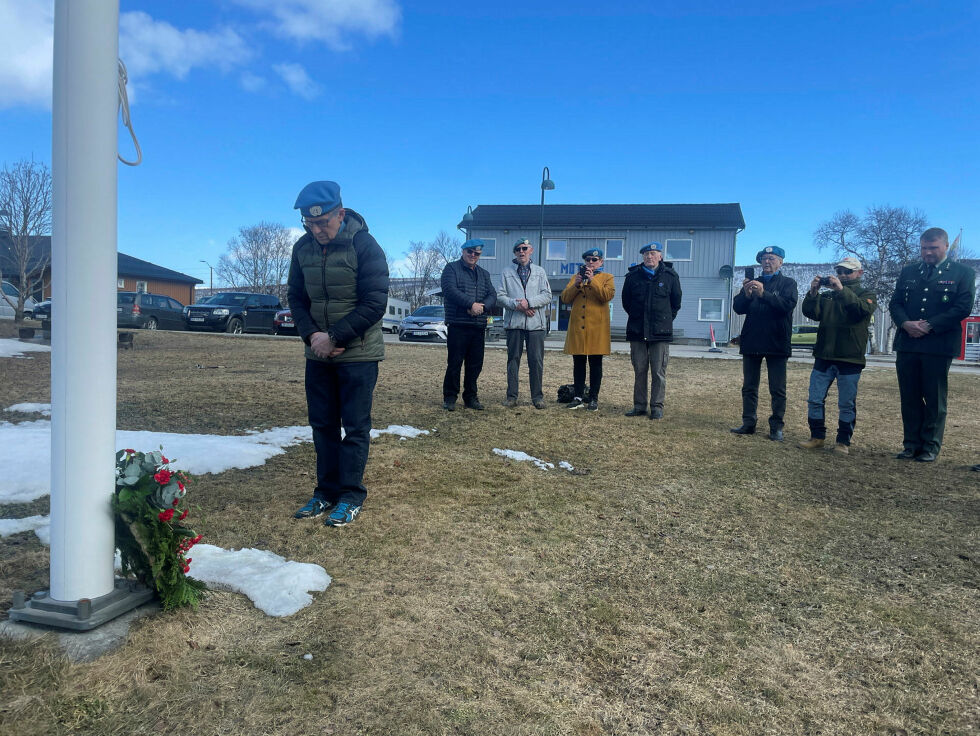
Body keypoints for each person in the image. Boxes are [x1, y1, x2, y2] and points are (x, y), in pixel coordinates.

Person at [288, 181, 389, 527]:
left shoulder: (366, 246)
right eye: (310, 224)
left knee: (355, 427)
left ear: (340, 214)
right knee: (322, 426)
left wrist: (335, 335)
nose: (317, 230)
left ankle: (350, 495)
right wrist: (313, 336)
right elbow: (296, 299)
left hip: (358, 354)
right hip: (318, 354)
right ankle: (325, 492)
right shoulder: (302, 248)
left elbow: (375, 303)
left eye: (323, 223)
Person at [888, 227, 976, 462]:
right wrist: (905, 323)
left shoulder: (962, 273)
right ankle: (911, 444)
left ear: (945, 246)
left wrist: (929, 325)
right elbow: (895, 302)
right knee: (910, 397)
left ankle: (930, 446)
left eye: (933, 248)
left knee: (934, 398)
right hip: (908, 344)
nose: (928, 252)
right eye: (924, 248)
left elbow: (962, 307)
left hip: (938, 344)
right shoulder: (908, 272)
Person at [797, 257, 876, 454]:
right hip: (824, 355)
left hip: (850, 358)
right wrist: (813, 293)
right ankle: (817, 437)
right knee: (814, 399)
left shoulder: (866, 294)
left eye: (847, 272)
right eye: (839, 271)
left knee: (846, 403)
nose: (842, 275)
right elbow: (810, 312)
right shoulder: (828, 296)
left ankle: (843, 442)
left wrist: (841, 290)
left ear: (859, 273)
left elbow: (860, 310)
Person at [731, 246, 798, 441]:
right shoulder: (754, 282)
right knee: (749, 386)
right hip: (752, 341)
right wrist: (745, 293)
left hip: (777, 342)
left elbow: (786, 306)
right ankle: (748, 422)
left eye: (771, 258)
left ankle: (776, 427)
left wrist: (764, 295)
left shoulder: (788, 283)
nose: (767, 262)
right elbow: (738, 308)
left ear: (781, 262)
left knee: (777, 388)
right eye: (764, 259)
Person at [621, 242, 682, 419]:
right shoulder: (633, 276)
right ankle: (639, 406)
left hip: (660, 332)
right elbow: (627, 303)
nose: (650, 257)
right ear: (643, 257)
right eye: (647, 254)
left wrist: (663, 320)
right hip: (637, 330)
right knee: (639, 370)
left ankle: (656, 407)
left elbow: (675, 303)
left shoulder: (670, 276)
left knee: (658, 371)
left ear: (660, 256)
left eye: (653, 254)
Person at [441, 239, 497, 411]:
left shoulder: (484, 274)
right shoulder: (451, 269)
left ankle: (470, 397)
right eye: (470, 252)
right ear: (463, 251)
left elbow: (492, 294)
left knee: (475, 365)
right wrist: (470, 304)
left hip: (478, 325)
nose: (473, 255)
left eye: (477, 253)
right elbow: (449, 290)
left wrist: (482, 307)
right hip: (458, 324)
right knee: (455, 363)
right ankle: (450, 397)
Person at [496, 238, 553, 409]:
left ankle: (537, 397)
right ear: (514, 252)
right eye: (518, 249)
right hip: (515, 325)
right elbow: (500, 297)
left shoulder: (540, 271)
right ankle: (512, 396)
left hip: (536, 325)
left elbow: (547, 295)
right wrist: (518, 305)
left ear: (531, 250)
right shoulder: (506, 272)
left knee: (536, 361)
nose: (521, 251)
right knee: (513, 360)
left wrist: (529, 302)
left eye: (524, 248)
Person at [561, 248, 615, 411]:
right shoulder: (575, 278)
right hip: (578, 328)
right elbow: (565, 298)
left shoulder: (607, 278)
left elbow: (606, 296)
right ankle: (578, 397)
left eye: (594, 260)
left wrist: (592, 280)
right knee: (578, 363)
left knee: (595, 364)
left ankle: (593, 398)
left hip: (597, 329)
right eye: (588, 260)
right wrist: (576, 284)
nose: (590, 263)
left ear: (601, 262)